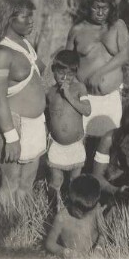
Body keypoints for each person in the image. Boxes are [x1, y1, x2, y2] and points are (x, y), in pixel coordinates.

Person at [0, 0, 47, 207]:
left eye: (32, 17)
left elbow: (42, 69)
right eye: (25, 17)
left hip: (35, 123)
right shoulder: (2, 53)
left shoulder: (25, 45)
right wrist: (11, 137)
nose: (31, 22)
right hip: (13, 125)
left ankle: (21, 227)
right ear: (8, 18)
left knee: (26, 184)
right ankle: (1, 228)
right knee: (10, 184)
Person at [65, 0, 129, 168]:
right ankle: (79, 187)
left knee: (110, 145)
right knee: (80, 145)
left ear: (111, 8)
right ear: (88, 7)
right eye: (96, 7)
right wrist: (75, 87)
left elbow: (125, 55)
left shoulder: (118, 26)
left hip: (111, 97)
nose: (101, 12)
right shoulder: (77, 29)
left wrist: (99, 73)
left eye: (105, 8)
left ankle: (104, 186)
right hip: (85, 97)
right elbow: (66, 61)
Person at [46, 50, 91, 211]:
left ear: (76, 73)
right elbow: (47, 117)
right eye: (61, 73)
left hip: (75, 145)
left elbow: (87, 110)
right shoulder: (50, 92)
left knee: (75, 180)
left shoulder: (79, 88)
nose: (65, 78)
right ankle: (55, 210)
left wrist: (69, 97)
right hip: (56, 145)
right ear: (53, 70)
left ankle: (74, 208)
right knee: (56, 180)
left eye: (70, 74)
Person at [45, 174, 105, 258]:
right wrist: (67, 253)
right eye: (79, 209)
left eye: (87, 210)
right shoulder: (62, 217)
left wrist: (99, 248)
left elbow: (103, 232)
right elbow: (50, 243)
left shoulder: (96, 209)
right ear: (70, 201)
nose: (82, 214)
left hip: (91, 257)